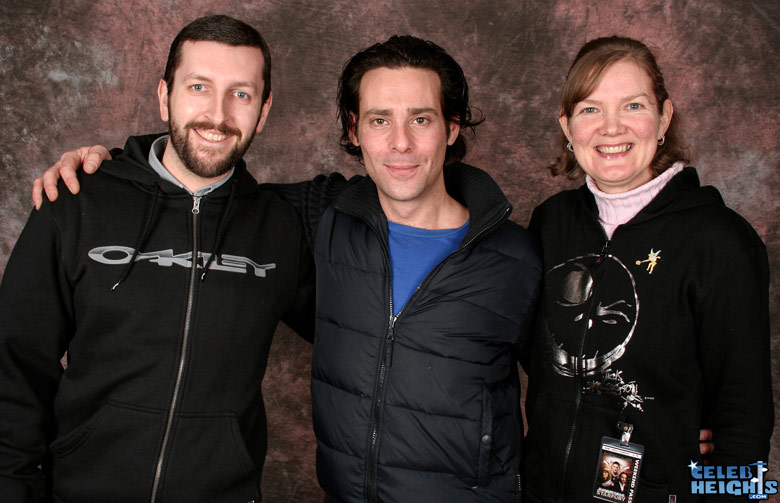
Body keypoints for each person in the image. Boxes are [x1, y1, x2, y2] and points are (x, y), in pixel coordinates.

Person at [33, 35, 542, 502]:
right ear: (354, 130)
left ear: (452, 128)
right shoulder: (319, 217)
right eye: (380, 119)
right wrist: (117, 169)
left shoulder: (515, 256)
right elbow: (199, 187)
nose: (401, 143)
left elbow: (563, 396)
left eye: (422, 119)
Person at [0, 15, 315, 502]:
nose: (218, 114)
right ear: (165, 95)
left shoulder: (281, 228)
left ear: (265, 108)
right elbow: (14, 367)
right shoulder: (79, 201)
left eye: (242, 94)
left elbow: (364, 334)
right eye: (198, 86)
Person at [522, 36, 773, 502]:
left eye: (633, 105)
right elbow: (530, 351)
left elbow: (746, 422)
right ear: (567, 126)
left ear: (664, 117)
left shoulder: (721, 242)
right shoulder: (550, 222)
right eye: (590, 109)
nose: (611, 128)